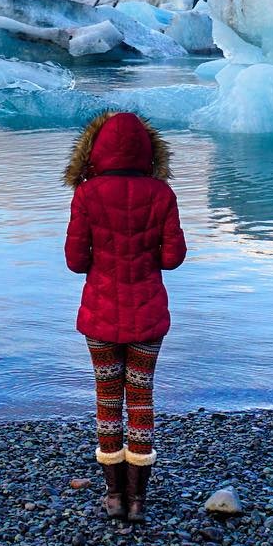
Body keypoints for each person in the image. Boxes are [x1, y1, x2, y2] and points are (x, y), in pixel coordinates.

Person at [63, 110, 187, 523]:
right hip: (148, 316)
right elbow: (173, 259)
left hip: (100, 317)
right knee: (140, 399)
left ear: (94, 150)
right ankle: (138, 500)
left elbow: (75, 262)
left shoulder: (87, 193)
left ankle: (114, 495)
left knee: (106, 399)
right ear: (150, 151)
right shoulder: (162, 194)